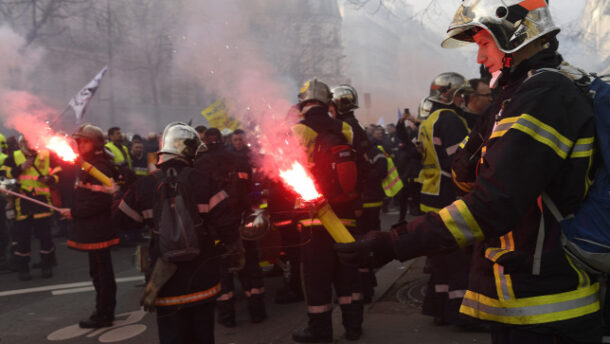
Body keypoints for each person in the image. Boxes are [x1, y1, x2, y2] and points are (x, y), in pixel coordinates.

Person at [336, 1, 602, 342]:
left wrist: (392, 244)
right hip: (526, 299)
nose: (479, 58)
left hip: (547, 309)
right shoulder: (522, 93)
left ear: (515, 33)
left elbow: (492, 203)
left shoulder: (544, 95)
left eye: (483, 43)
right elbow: (464, 171)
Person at [114, 122, 241, 344]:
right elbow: (227, 224)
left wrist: (116, 195)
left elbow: (123, 222)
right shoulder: (204, 181)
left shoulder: (144, 185)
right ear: (189, 151)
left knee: (172, 336)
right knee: (203, 335)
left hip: (165, 279)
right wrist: (233, 249)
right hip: (202, 276)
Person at [291, 78, 363, 342]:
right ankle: (354, 327)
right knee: (347, 275)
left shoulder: (298, 131)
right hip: (345, 214)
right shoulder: (345, 128)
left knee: (317, 276)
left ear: (303, 103)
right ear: (327, 102)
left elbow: (283, 173)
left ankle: (320, 331)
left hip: (313, 218)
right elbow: (362, 167)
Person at [196, 128, 267, 326]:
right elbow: (253, 191)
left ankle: (227, 317)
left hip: (215, 228)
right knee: (250, 267)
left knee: (222, 272)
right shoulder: (239, 160)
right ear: (223, 140)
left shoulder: (199, 165)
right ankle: (257, 312)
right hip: (242, 223)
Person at [59, 124, 119, 328]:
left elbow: (100, 202)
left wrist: (74, 212)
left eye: (86, 141)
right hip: (93, 228)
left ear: (96, 143)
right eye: (79, 141)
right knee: (98, 272)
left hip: (98, 229)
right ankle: (103, 310)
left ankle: (104, 313)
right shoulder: (88, 164)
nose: (81, 145)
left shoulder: (99, 167)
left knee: (102, 274)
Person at [3, 136, 60, 280]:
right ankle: (23, 268)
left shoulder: (46, 154)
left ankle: (46, 265)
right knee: (22, 238)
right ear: (22, 143)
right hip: (23, 202)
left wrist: (50, 179)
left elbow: (58, 171)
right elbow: (4, 173)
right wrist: (20, 168)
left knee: (45, 237)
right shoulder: (14, 156)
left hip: (42, 201)